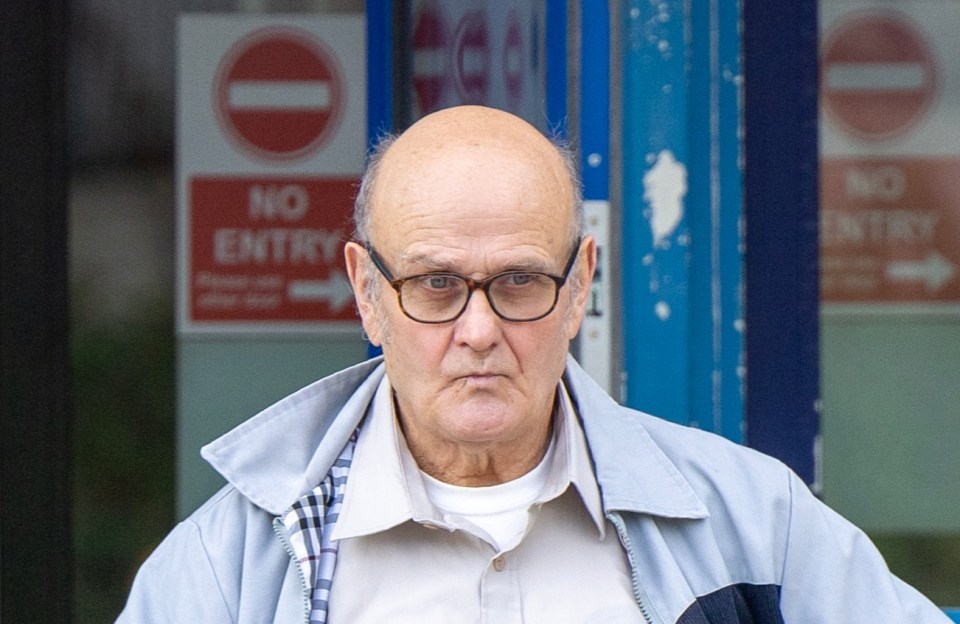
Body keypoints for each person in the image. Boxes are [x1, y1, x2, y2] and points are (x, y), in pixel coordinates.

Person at [118, 105, 951, 623]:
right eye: (436, 285)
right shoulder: (227, 570)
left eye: (519, 282)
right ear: (366, 292)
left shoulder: (752, 526)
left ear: (581, 282)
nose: (479, 330)